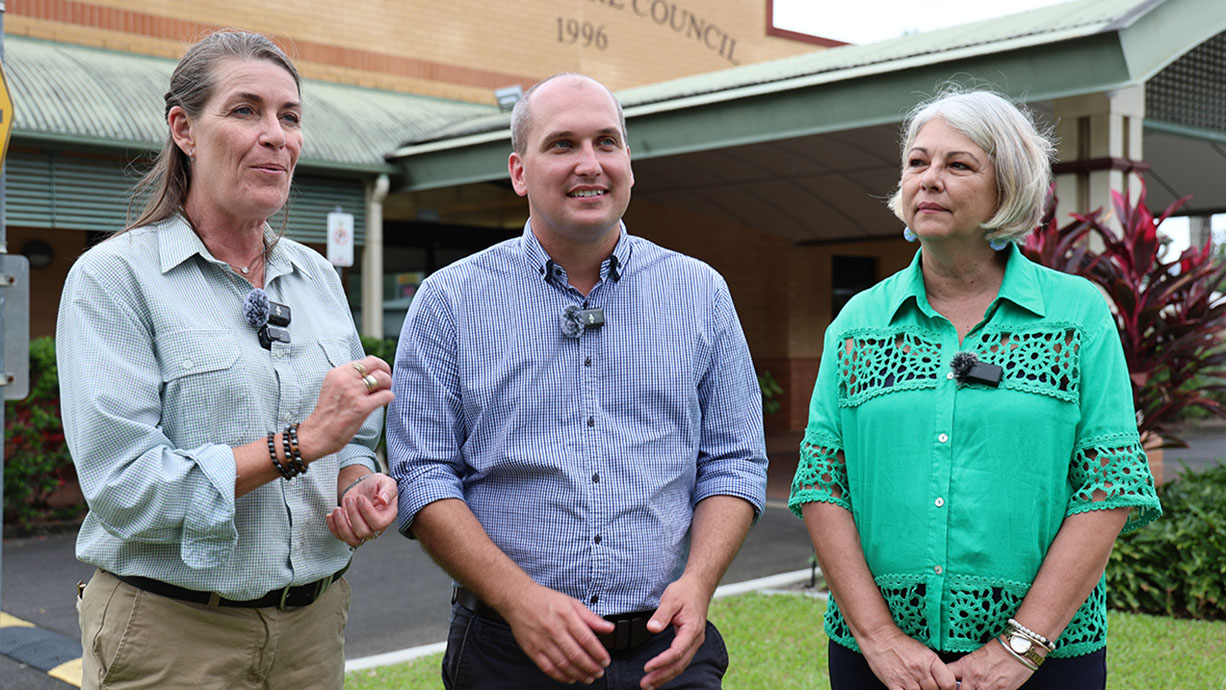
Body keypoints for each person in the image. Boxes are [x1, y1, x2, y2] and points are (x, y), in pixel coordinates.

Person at [388, 73, 768, 690]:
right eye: (562, 144)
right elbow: (422, 473)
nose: (589, 164)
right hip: (508, 654)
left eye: (606, 142)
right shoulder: (448, 302)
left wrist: (699, 583)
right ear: (519, 172)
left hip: (665, 652)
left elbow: (734, 461)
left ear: (628, 164)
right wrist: (519, 600)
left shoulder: (700, 293)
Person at [789, 87, 1162, 690]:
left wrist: (1021, 647)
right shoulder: (857, 323)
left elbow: (1108, 487)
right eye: (917, 162)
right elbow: (822, 484)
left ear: (1007, 187)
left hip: (1045, 662)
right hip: (878, 664)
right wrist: (879, 638)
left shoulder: (1077, 317)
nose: (929, 179)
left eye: (958, 164)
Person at [57, 30, 396, 690]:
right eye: (246, 110)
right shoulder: (114, 278)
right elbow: (125, 488)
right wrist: (299, 443)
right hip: (172, 636)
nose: (276, 136)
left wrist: (358, 482)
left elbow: (352, 438)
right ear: (183, 129)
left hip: (313, 629)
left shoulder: (318, 278)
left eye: (289, 117)